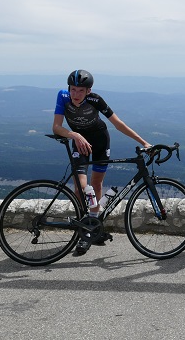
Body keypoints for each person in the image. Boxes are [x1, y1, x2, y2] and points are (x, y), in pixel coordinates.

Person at [52, 69, 152, 254]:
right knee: (82, 188)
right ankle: (89, 226)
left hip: (99, 142)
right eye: (73, 89)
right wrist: (74, 135)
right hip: (80, 143)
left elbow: (118, 124)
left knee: (96, 184)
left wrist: (143, 142)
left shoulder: (95, 100)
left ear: (88, 91)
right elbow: (56, 127)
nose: (76, 94)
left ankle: (92, 226)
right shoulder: (63, 96)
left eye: (81, 90)